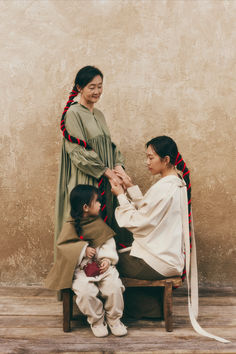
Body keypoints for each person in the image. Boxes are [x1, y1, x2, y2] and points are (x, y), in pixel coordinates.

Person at [110, 135, 229, 343]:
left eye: (150, 158)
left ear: (165, 159)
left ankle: (126, 312)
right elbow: (152, 212)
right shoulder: (177, 182)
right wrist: (130, 186)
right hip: (168, 258)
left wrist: (120, 195)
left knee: (108, 263)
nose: (147, 162)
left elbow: (139, 221)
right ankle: (151, 308)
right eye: (146, 157)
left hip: (158, 261)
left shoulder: (166, 187)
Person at [55, 65, 131, 254]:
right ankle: (83, 276)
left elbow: (109, 145)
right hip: (86, 179)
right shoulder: (73, 113)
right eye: (91, 87)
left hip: (105, 179)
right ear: (80, 88)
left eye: (100, 86)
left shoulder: (99, 114)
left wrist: (118, 166)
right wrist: (106, 172)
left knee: (104, 225)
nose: (97, 91)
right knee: (86, 224)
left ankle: (105, 269)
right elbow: (78, 152)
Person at [45, 184, 127, 338]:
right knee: (85, 293)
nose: (100, 204)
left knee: (114, 287)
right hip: (81, 271)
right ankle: (97, 320)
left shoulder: (99, 224)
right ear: (85, 207)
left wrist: (107, 260)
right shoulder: (70, 225)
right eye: (97, 201)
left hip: (103, 269)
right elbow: (64, 247)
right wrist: (83, 249)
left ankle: (114, 320)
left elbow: (108, 243)